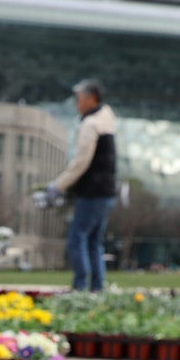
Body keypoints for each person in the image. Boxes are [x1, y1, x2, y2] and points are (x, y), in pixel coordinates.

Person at [46, 79, 118, 292]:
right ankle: (96, 288)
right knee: (94, 242)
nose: (77, 104)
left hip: (93, 192)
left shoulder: (91, 124)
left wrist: (58, 186)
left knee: (77, 238)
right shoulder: (107, 119)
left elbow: (80, 162)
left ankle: (80, 287)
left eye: (79, 99)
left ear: (91, 98)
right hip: (106, 192)